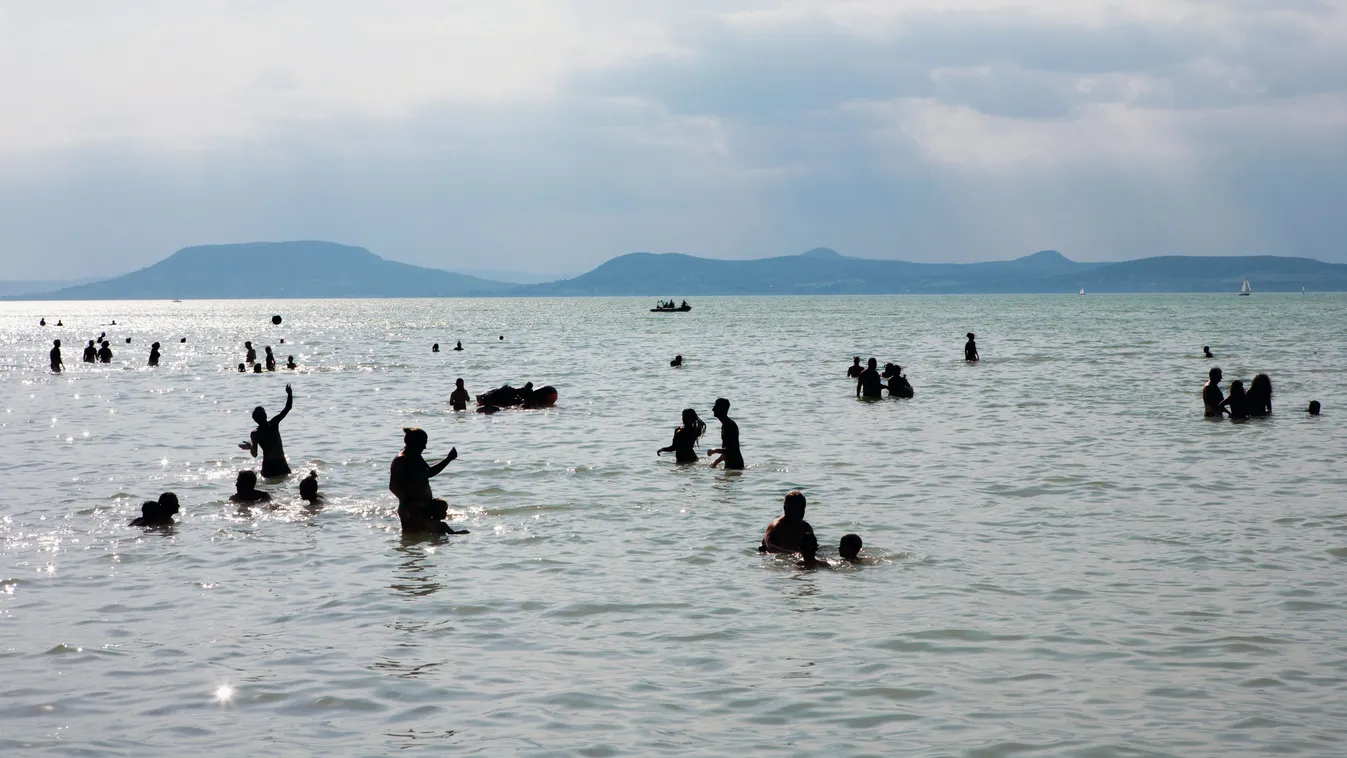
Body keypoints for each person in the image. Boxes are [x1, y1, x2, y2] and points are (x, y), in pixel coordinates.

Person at [388, 427, 468, 535]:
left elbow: (429, 473)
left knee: (425, 541)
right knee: (412, 541)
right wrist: (407, 503)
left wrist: (448, 459)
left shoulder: (416, 457)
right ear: (415, 443)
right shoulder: (401, 459)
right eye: (423, 443)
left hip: (424, 508)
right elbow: (393, 486)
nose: (425, 447)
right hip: (411, 510)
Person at [239, 383, 293, 477]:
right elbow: (255, 454)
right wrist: (251, 447)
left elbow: (287, 408)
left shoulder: (270, 425)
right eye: (262, 413)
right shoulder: (265, 428)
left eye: (263, 412)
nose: (264, 414)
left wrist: (289, 394)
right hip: (273, 465)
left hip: (276, 465)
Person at [707, 398, 744, 470]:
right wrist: (715, 463)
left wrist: (714, 450)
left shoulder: (730, 425)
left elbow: (731, 449)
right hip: (730, 465)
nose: (713, 409)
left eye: (716, 406)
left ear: (722, 409)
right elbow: (727, 451)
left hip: (735, 466)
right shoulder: (725, 425)